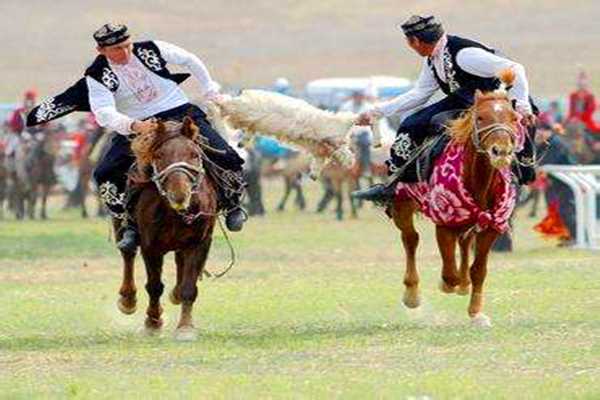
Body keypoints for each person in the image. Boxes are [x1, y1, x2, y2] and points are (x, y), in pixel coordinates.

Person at [26, 23, 247, 253]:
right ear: (101, 51)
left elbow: (189, 59)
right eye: (117, 49)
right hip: (138, 126)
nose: (125, 52)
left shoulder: (150, 48)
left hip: (181, 113)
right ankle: (129, 225)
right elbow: (103, 113)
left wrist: (209, 90)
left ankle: (232, 204)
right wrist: (133, 125)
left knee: (226, 154)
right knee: (105, 172)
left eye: (127, 45)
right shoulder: (97, 76)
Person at [352, 15, 538, 203]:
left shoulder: (464, 54)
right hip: (464, 101)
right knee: (412, 124)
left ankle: (521, 171)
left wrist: (522, 104)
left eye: (409, 42)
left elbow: (515, 68)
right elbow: (419, 94)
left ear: (414, 41)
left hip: (494, 101)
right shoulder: (433, 59)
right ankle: (394, 186)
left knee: (508, 128)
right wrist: (378, 112)